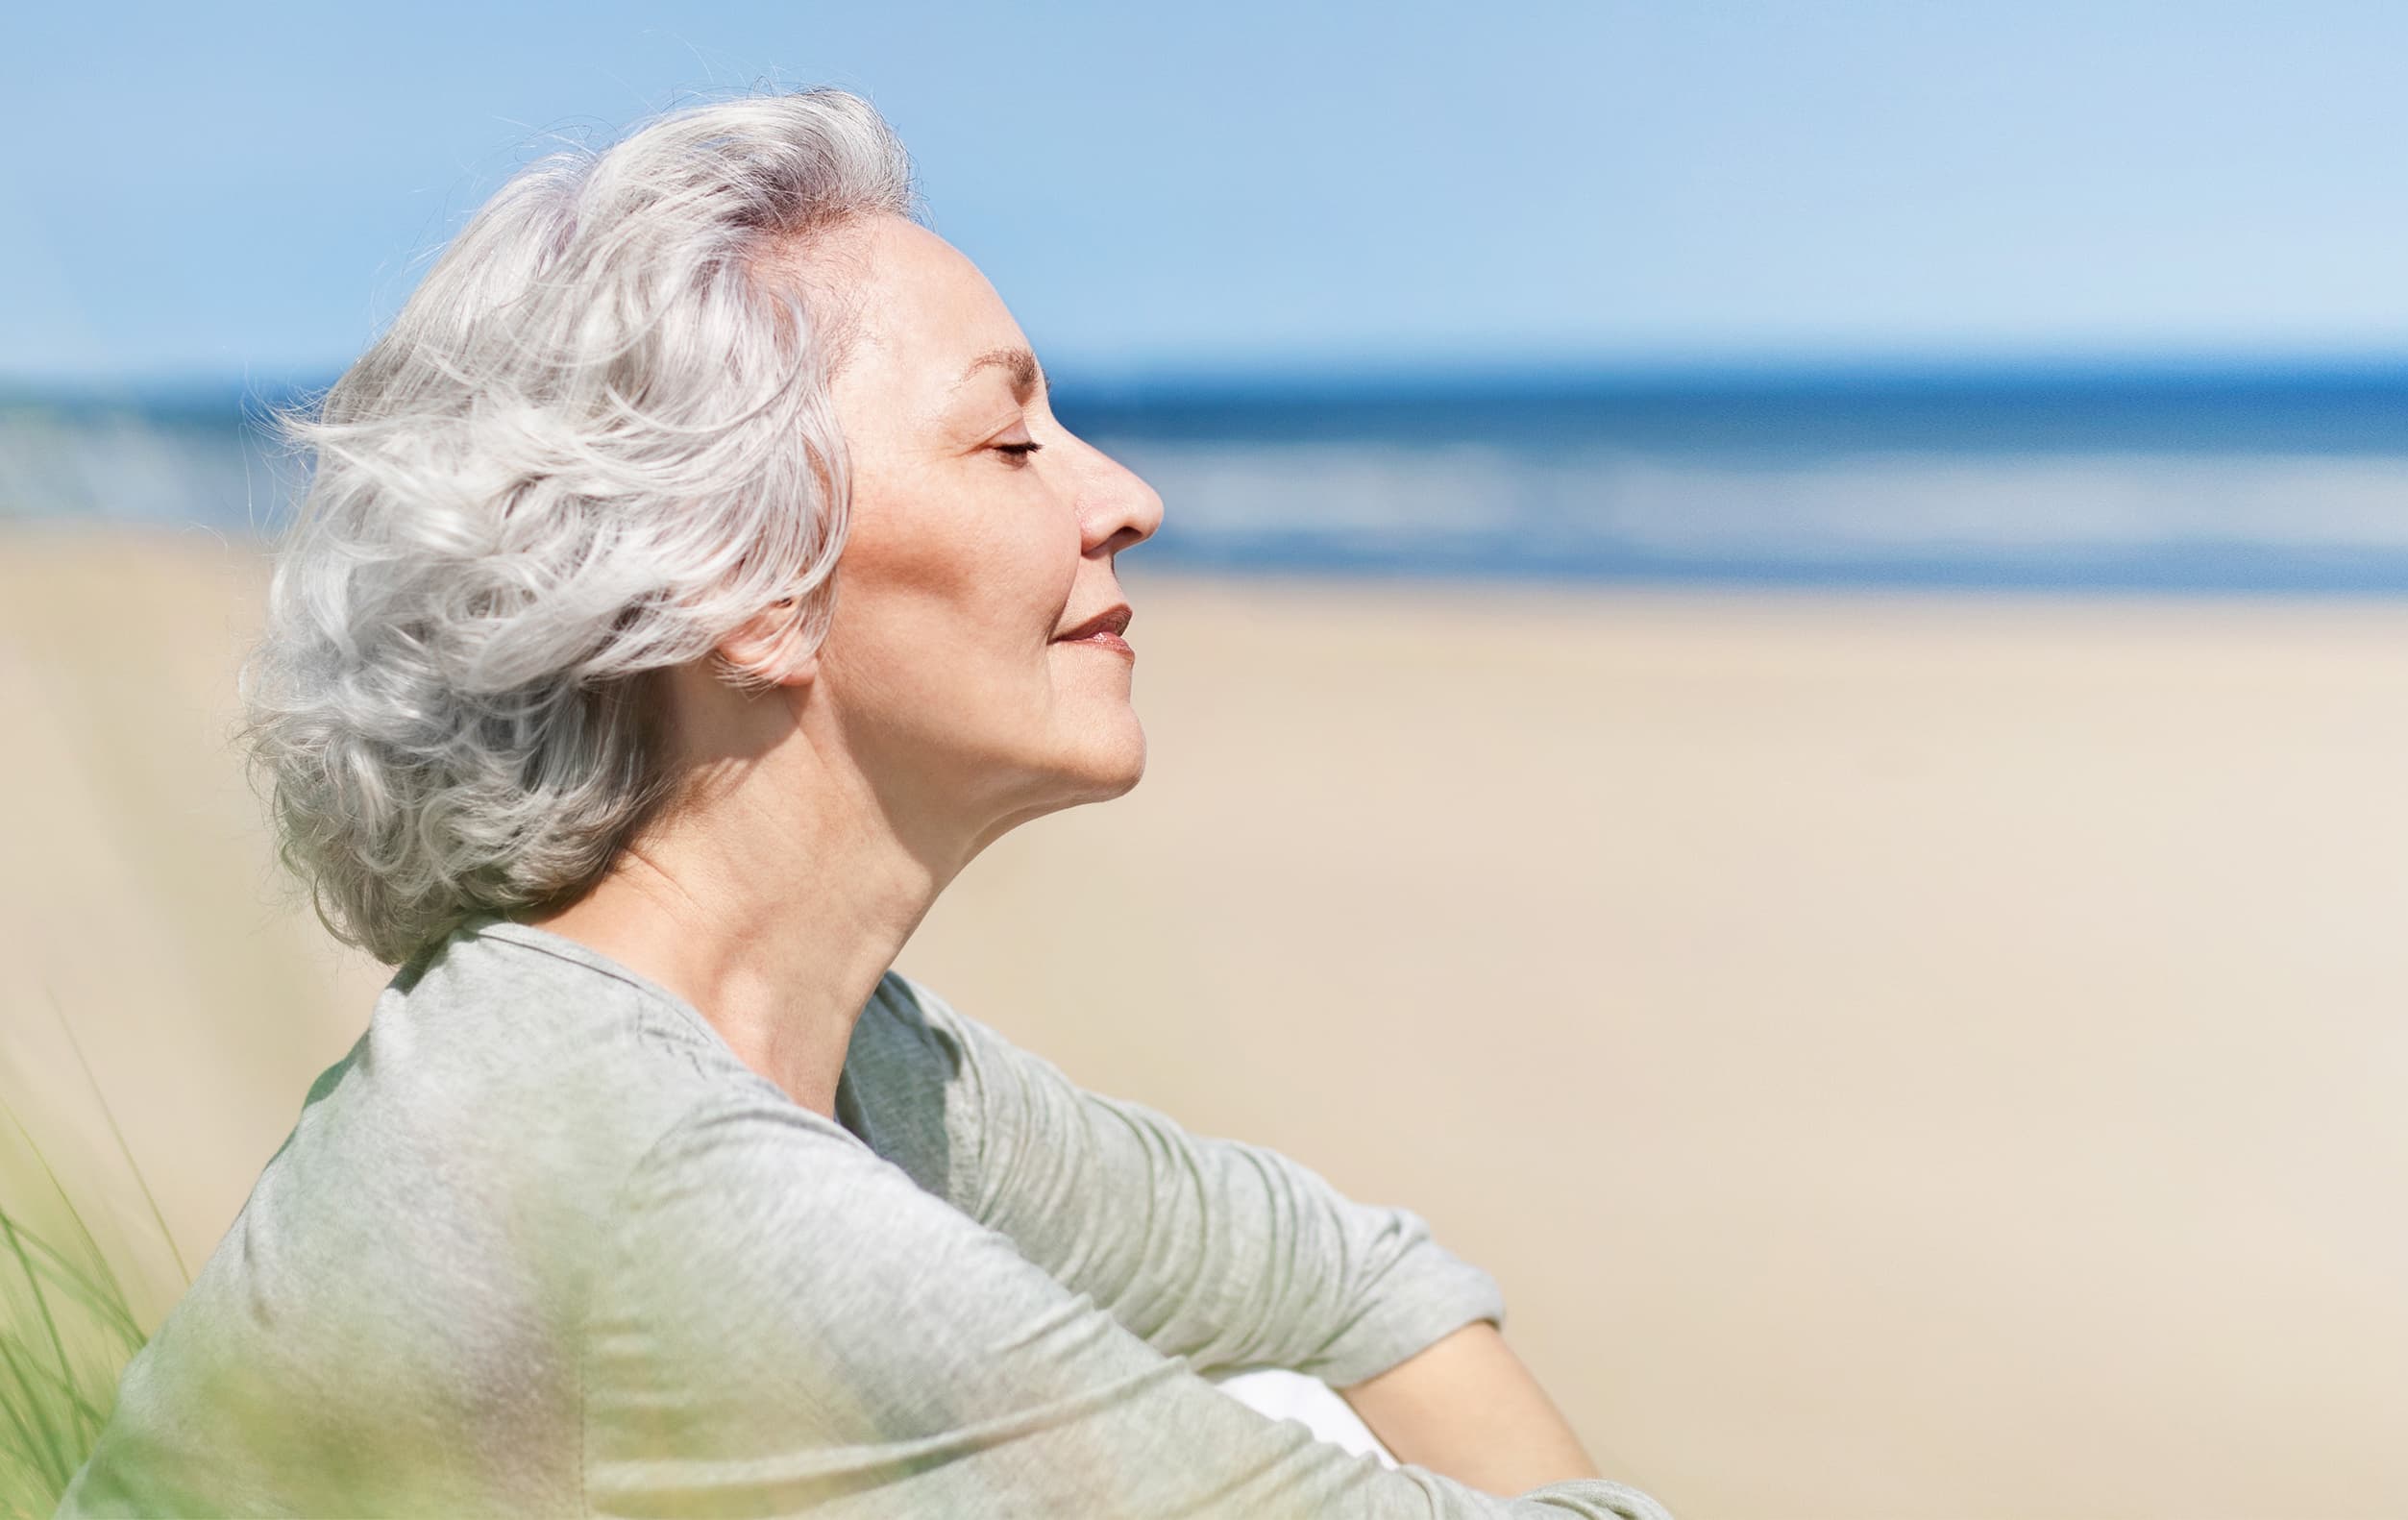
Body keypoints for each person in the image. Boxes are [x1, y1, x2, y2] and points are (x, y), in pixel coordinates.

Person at [59, 87, 1668, 1519]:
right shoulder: (660, 1194)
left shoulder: (840, 1068)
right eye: (1009, 437)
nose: (1125, 497)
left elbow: (1351, 1274)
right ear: (744, 587)